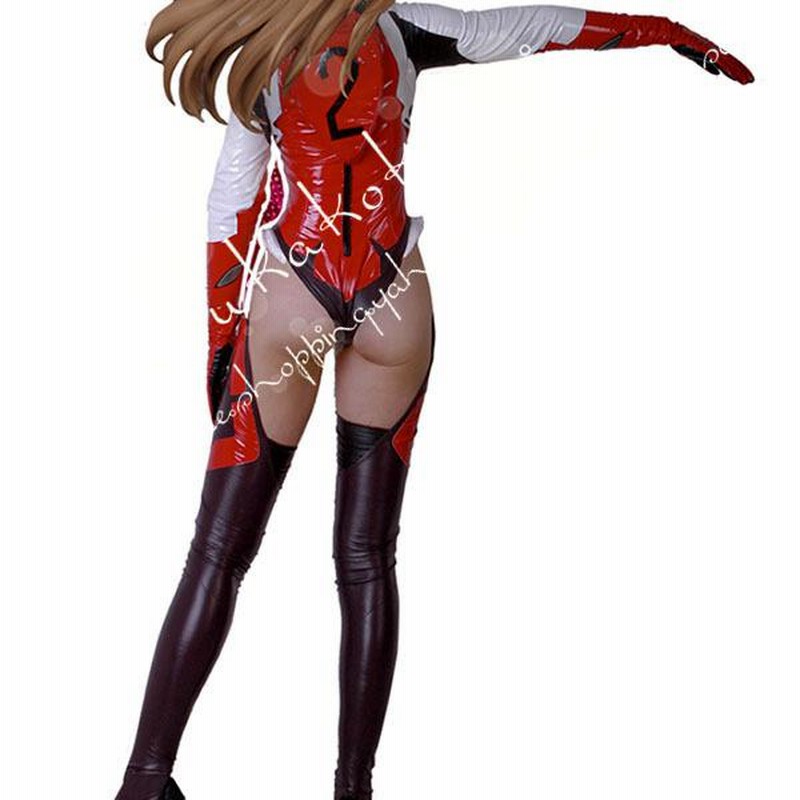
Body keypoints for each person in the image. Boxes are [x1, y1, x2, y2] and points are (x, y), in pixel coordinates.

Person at [114, 2, 753, 799]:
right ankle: (353, 788)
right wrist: (672, 33)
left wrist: (220, 340)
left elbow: (231, 201)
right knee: (365, 558)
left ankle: (146, 778)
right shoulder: (405, 26)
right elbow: (538, 26)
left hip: (293, 298)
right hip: (390, 294)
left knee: (218, 552)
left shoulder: (264, 40)